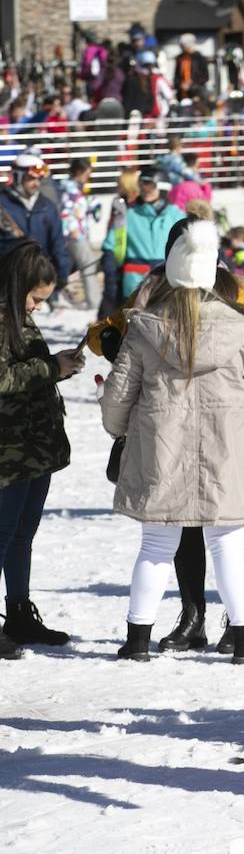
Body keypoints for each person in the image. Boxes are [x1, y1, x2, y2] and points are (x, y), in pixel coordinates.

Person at [100, 220, 244, 663]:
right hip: (227, 452)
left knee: (155, 545)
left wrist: (120, 431)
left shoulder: (145, 327)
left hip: (161, 452)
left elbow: (116, 399)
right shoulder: (241, 327)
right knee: (228, 545)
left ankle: (138, 640)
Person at [0, 243, 83, 659]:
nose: (37, 307)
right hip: (7, 451)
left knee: (22, 536)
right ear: (17, 286)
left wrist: (60, 366)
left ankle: (18, 611)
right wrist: (51, 367)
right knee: (3, 535)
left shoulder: (18, 316)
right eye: (35, 298)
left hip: (33, 448)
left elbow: (25, 373)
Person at [102, 166, 186, 303]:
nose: (145, 190)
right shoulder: (129, 214)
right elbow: (110, 245)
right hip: (134, 285)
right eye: (142, 185)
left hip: (166, 284)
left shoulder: (176, 215)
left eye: (150, 185)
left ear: (162, 187)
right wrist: (111, 277)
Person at [0, 151, 68, 291]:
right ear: (18, 177)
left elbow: (58, 244)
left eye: (39, 179)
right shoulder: (2, 204)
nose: (37, 184)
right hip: (8, 282)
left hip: (39, 282)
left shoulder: (47, 207)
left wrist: (61, 274)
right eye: (31, 178)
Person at [58, 157, 99, 309]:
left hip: (77, 233)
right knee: (88, 266)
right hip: (74, 235)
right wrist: (73, 229)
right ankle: (94, 302)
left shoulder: (75, 187)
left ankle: (56, 296)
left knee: (65, 267)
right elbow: (65, 211)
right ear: (80, 171)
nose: (89, 175)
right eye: (88, 172)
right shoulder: (69, 188)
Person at [173, 34, 210, 100]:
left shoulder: (199, 58)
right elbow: (176, 77)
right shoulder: (180, 58)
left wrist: (191, 83)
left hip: (197, 93)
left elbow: (205, 77)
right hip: (183, 94)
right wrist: (181, 84)